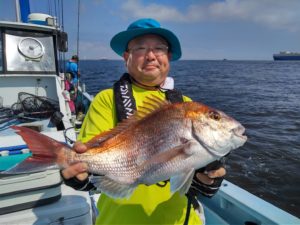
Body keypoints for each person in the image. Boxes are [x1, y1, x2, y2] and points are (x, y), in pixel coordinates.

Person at [61, 18, 226, 225]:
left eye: (159, 48)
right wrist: (82, 178)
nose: (150, 56)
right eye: (140, 49)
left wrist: (208, 177)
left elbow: (186, 172)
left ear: (169, 56)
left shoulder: (185, 105)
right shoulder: (106, 99)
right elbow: (94, 162)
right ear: (126, 57)